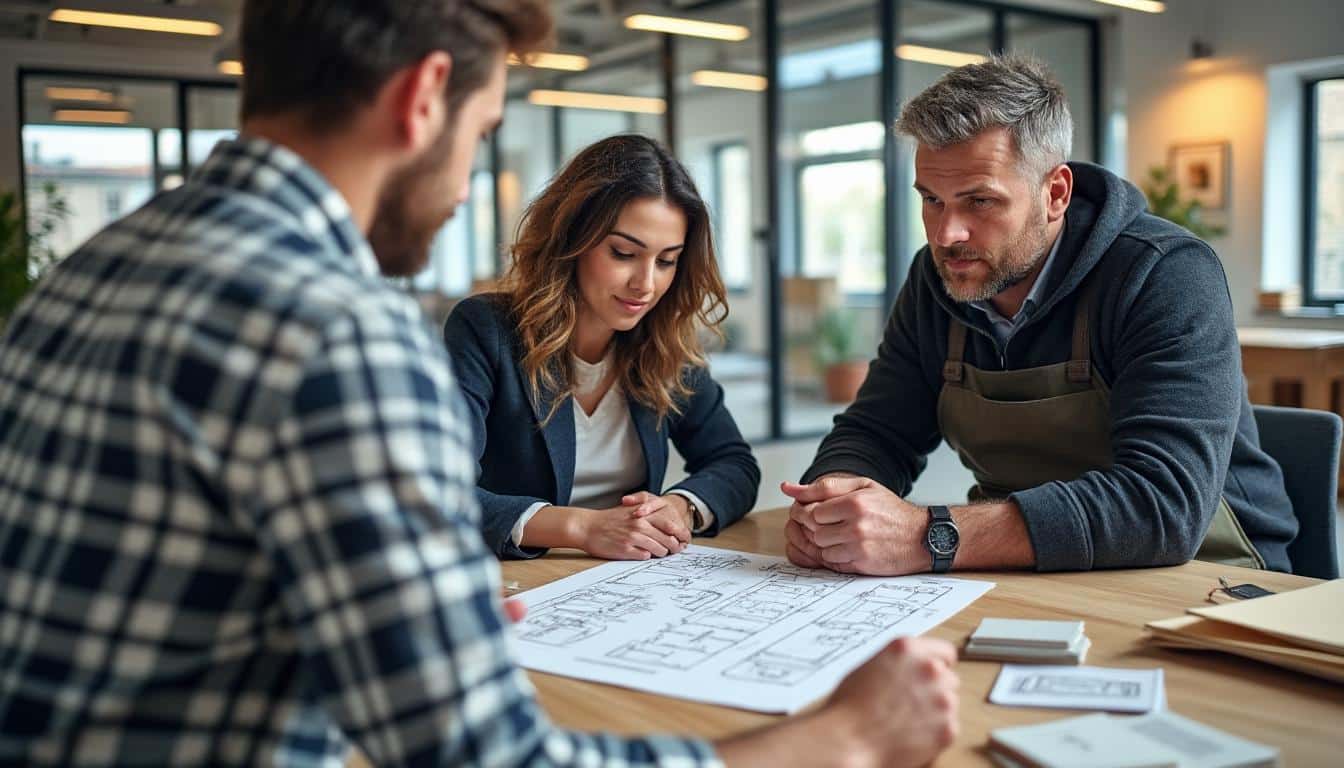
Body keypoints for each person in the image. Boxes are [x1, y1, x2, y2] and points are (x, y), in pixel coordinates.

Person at [0, 2, 959, 766]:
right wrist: (845, 739)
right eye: (484, 126)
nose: (466, 182)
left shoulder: (84, 276)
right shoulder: (340, 331)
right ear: (425, 97)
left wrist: (410, 605)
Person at [785, 55, 1296, 578]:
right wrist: (833, 498)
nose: (946, 234)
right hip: (1020, 563)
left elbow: (1162, 505)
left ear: (1055, 194)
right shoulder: (936, 277)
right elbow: (878, 430)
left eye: (979, 201)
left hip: (1208, 573)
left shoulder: (1165, 274)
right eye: (932, 200)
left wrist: (926, 534)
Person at [444, 134, 759, 562]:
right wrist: (582, 527)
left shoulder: (664, 342)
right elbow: (440, 493)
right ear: (570, 239)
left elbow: (734, 464)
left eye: (666, 261)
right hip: (521, 585)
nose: (645, 285)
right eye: (624, 253)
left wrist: (679, 508)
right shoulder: (486, 331)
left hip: (626, 587)